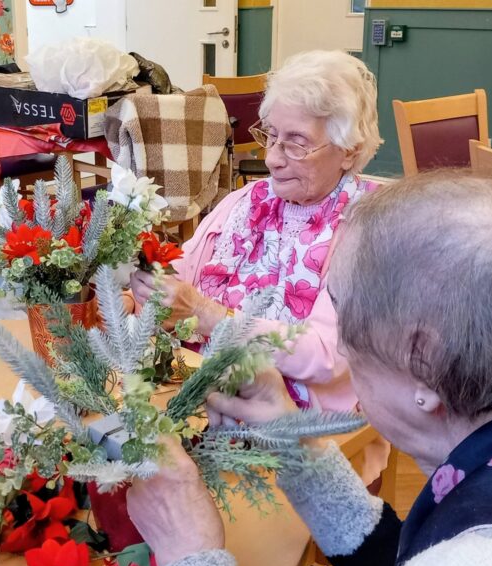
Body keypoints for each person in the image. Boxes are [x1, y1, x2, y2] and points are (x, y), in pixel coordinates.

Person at [128, 169, 492, 566]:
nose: (343, 347)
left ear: (424, 364)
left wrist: (190, 558)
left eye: (344, 315)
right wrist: (295, 445)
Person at [131, 50, 382, 416]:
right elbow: (181, 273)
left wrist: (206, 314)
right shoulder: (246, 200)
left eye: (296, 142)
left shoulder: (370, 231)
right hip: (195, 380)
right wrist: (137, 293)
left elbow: (327, 356)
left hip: (294, 418)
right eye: (272, 135)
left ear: (349, 151)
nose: (272, 159)